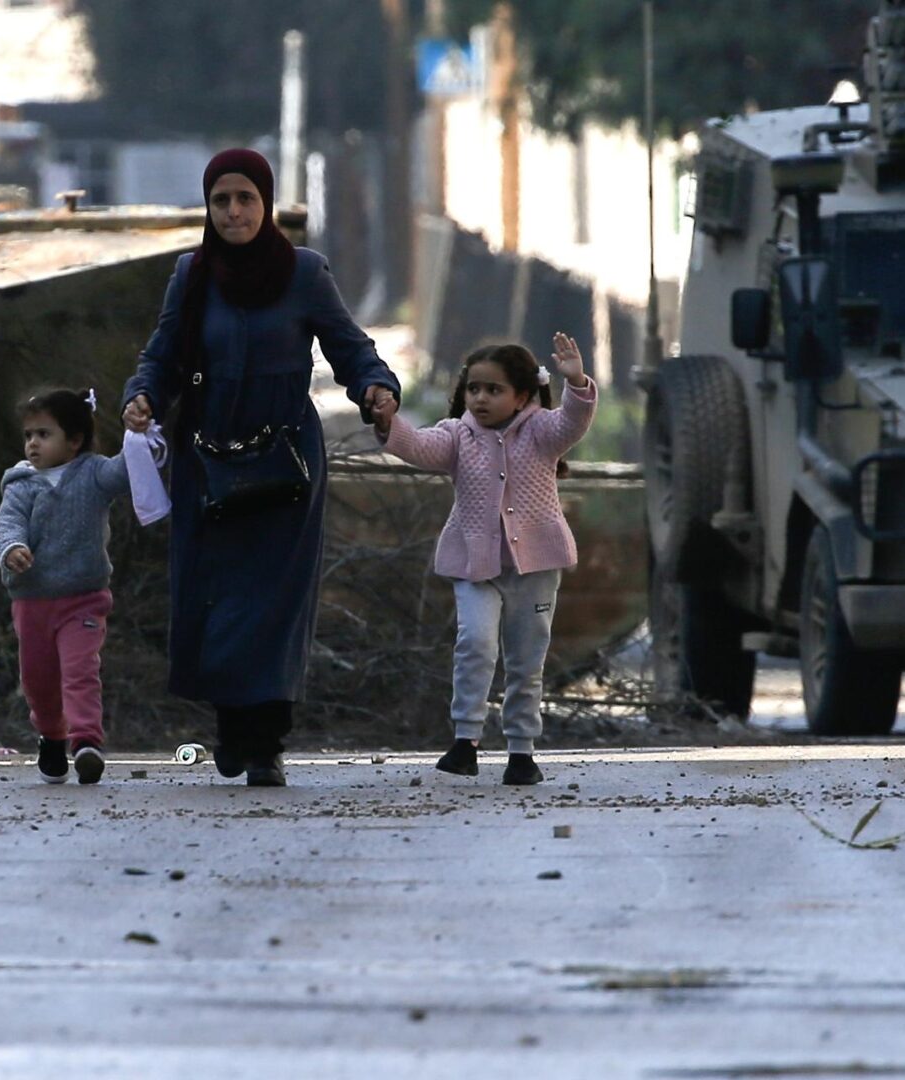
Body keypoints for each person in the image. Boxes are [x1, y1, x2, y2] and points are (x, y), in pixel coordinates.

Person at [121, 148, 400, 787]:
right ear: (208, 207)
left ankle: (267, 744)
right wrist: (140, 396)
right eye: (221, 200)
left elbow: (351, 348)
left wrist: (377, 390)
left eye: (246, 198)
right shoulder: (191, 276)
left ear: (266, 203)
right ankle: (231, 728)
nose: (234, 211)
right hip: (207, 459)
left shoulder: (303, 273)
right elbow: (161, 356)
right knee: (216, 597)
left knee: (275, 601)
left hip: (286, 463)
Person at [370, 336, 595, 785]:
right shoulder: (458, 434)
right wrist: (389, 422)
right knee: (475, 644)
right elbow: (417, 446)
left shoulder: (542, 431)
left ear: (523, 395)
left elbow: (573, 419)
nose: (481, 398)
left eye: (494, 390)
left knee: (527, 659)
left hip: (534, 567)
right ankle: (466, 740)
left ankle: (521, 750)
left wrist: (577, 381)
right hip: (476, 565)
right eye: (474, 389)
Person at [0, 388, 130, 785]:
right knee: (38, 683)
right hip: (32, 602)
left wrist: (140, 436)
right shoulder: (20, 484)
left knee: (80, 670)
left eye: (44, 434)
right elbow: (7, 525)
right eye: (29, 435)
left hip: (83, 599)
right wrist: (11, 549)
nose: (33, 443)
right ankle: (52, 734)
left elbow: (126, 472)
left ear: (74, 440)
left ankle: (86, 742)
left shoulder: (94, 474)